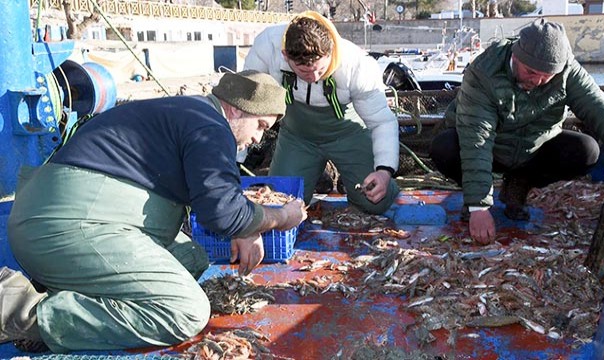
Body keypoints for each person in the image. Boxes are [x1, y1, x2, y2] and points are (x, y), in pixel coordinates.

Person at [1, 70, 307, 352]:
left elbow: (219, 202)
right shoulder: (211, 127)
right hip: (66, 226)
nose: (258, 139)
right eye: (261, 126)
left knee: (193, 259)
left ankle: (68, 289)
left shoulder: (191, 112)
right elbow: (222, 212)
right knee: (186, 312)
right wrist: (280, 218)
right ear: (238, 109)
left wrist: (247, 226)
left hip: (62, 215)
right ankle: (22, 311)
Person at [429, 19, 604, 245]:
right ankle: (472, 195)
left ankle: (520, 182)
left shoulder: (567, 69)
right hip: (492, 148)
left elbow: (598, 107)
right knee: (444, 147)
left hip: (534, 148)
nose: (538, 81)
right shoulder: (483, 72)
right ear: (515, 55)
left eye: (547, 76)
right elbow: (477, 139)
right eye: (531, 72)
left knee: (587, 150)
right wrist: (478, 207)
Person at [243, 11, 400, 215]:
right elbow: (245, 106)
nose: (314, 77)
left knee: (376, 201)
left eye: (320, 69)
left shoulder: (357, 64)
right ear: (285, 56)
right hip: (296, 138)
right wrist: (236, 157)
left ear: (331, 52)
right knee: (278, 202)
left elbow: (382, 122)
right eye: (303, 71)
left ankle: (361, 180)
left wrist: (384, 171)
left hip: (348, 135)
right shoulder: (267, 47)